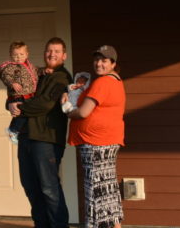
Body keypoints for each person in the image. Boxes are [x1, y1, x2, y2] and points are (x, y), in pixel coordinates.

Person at [10, 37, 72, 228]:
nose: (52, 54)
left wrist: (21, 106)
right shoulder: (38, 74)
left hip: (46, 140)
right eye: (49, 50)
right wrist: (11, 104)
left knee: (49, 188)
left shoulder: (62, 78)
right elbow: (18, 93)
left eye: (56, 51)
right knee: (31, 186)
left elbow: (45, 104)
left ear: (64, 55)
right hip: (27, 136)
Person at [64, 45, 126, 228]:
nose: (99, 64)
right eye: (96, 60)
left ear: (113, 63)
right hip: (106, 141)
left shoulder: (103, 82)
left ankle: (94, 225)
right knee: (107, 188)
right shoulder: (115, 81)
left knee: (95, 190)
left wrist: (68, 109)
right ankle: (115, 226)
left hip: (95, 142)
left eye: (104, 60)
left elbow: (83, 113)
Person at [0, 41, 39, 144]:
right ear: (11, 55)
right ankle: (13, 130)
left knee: (24, 114)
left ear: (27, 54)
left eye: (21, 54)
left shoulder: (30, 66)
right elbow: (5, 75)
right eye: (15, 55)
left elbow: (36, 72)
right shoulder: (11, 67)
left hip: (29, 95)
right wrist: (12, 83)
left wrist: (44, 71)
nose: (18, 57)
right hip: (18, 95)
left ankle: (17, 131)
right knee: (21, 114)